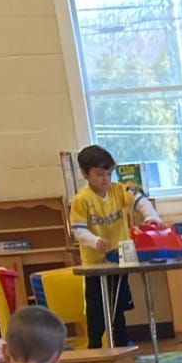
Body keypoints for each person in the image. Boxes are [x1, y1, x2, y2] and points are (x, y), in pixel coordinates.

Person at [68, 145, 162, 348]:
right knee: (97, 310)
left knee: (118, 305)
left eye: (109, 173)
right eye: (99, 174)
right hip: (95, 266)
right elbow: (78, 231)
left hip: (120, 259)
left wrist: (152, 217)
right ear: (85, 173)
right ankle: (95, 346)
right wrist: (96, 242)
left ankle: (121, 342)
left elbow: (141, 202)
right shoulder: (81, 200)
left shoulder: (118, 190)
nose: (105, 179)